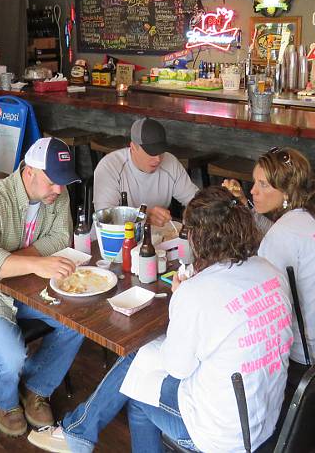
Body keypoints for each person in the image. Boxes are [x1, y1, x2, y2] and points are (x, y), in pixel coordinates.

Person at [28, 186, 293, 453]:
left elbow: (177, 368)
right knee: (140, 363)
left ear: (199, 238)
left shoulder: (197, 292)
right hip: (266, 417)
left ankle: (77, 434)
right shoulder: (270, 271)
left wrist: (182, 297)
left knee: (138, 387)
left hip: (224, 437)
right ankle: (77, 432)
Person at [0, 137, 85, 437]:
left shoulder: (56, 195)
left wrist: (17, 262)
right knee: (10, 357)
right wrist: (35, 263)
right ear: (30, 171)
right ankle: (6, 403)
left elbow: (61, 238)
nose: (59, 190)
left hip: (24, 287)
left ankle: (36, 386)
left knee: (78, 323)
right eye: (52, 182)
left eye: (63, 182)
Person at [222, 147, 315, 367]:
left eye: (263, 185)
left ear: (286, 192)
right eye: (254, 182)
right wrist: (245, 206)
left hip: (306, 351)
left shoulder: (284, 234)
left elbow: (259, 303)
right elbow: (278, 234)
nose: (253, 190)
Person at [92, 118, 198, 227]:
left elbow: (197, 202)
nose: (157, 159)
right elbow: (105, 220)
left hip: (155, 237)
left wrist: (190, 214)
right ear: (133, 148)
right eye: (151, 152)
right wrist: (144, 216)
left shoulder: (170, 163)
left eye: (161, 151)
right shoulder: (110, 166)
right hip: (111, 239)